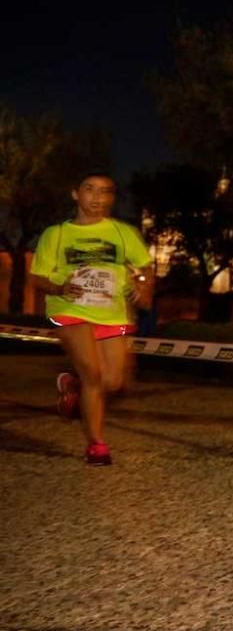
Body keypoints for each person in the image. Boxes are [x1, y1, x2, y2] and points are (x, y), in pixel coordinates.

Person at [29, 172, 154, 466]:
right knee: (94, 376)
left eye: (106, 192)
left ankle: (74, 388)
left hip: (112, 312)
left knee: (113, 381)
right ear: (76, 194)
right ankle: (97, 445)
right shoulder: (56, 234)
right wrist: (59, 288)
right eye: (90, 189)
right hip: (70, 310)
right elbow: (37, 277)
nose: (98, 197)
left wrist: (143, 288)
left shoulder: (124, 233)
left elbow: (145, 267)